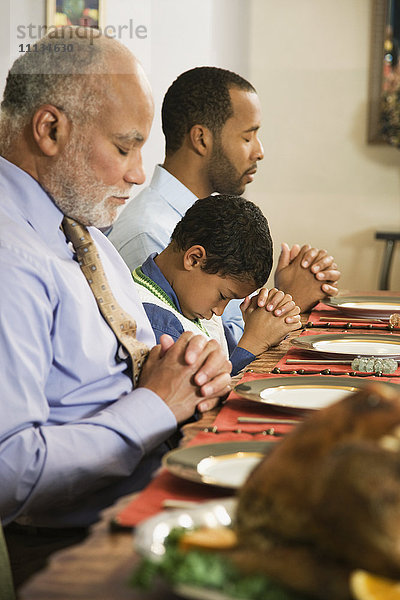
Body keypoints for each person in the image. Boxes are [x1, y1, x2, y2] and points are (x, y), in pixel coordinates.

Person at [0, 28, 231, 587]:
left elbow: (147, 365)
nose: (136, 173)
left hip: (146, 499)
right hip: (75, 546)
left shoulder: (82, 232)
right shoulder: (10, 255)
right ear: (50, 129)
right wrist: (156, 406)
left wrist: (190, 372)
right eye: (125, 147)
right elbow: (9, 472)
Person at [109, 66, 341, 341]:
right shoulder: (147, 233)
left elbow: (226, 320)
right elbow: (197, 350)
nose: (260, 151)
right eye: (247, 137)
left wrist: (279, 300)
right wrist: (293, 301)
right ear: (202, 139)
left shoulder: (217, 222)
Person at [133, 194, 302, 376]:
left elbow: (226, 355)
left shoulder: (187, 300)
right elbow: (198, 396)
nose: (219, 311)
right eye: (223, 296)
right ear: (194, 259)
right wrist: (253, 344)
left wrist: (266, 324)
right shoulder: (155, 324)